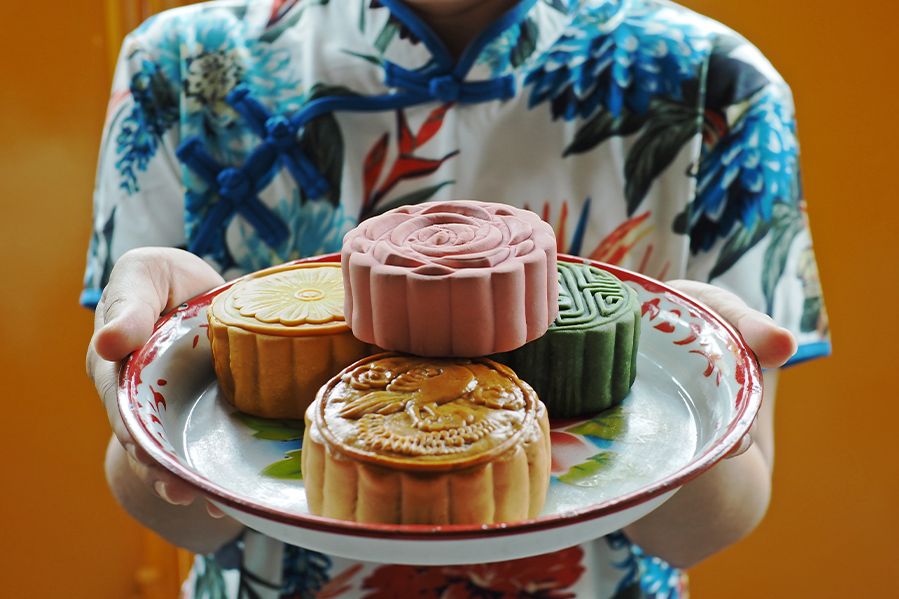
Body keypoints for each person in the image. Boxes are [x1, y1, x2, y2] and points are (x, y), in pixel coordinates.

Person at [84, 0, 830, 596]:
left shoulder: (717, 82)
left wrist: (709, 396)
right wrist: (152, 392)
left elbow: (707, 525)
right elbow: (179, 512)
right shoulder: (179, 64)